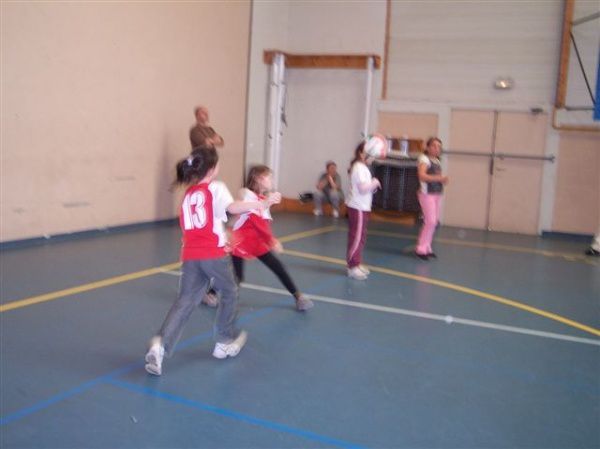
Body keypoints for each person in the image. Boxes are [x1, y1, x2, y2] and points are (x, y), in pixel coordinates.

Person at [144, 145, 278, 376]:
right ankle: (224, 341)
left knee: (185, 301)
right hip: (212, 254)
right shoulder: (216, 188)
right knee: (230, 291)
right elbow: (232, 207)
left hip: (190, 255)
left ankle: (160, 346)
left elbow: (199, 222)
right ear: (213, 168)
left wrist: (220, 231)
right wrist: (262, 203)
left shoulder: (189, 194)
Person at [231, 165, 314, 311]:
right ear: (258, 178)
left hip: (257, 242)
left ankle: (298, 296)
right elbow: (257, 222)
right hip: (241, 242)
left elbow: (262, 222)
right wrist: (272, 240)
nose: (271, 180)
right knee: (237, 276)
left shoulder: (263, 199)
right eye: (269, 177)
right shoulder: (247, 195)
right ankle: (214, 293)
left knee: (278, 267)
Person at [189, 105, 224, 307]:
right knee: (200, 195)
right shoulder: (195, 130)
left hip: (209, 166)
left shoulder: (209, 129)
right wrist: (212, 140)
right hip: (200, 166)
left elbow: (220, 141)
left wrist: (214, 139)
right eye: (202, 113)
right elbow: (208, 142)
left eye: (207, 112)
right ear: (197, 115)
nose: (206, 115)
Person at [345, 142, 381, 280]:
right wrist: (375, 182)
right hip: (358, 206)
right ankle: (352, 267)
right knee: (356, 237)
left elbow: (366, 187)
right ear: (361, 153)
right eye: (370, 154)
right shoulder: (359, 168)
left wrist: (372, 185)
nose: (373, 157)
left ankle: (356, 263)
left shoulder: (363, 167)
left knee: (361, 237)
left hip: (363, 206)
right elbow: (362, 188)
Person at [415, 137, 449, 261]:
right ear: (428, 147)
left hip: (436, 194)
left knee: (433, 222)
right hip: (426, 194)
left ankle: (427, 247)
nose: (437, 149)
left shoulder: (437, 161)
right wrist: (439, 179)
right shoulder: (424, 159)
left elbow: (435, 177)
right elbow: (422, 176)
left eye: (439, 146)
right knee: (430, 221)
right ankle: (421, 249)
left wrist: (442, 180)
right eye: (434, 146)